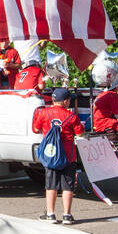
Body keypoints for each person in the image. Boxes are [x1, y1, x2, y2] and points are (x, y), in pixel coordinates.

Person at [32, 86, 84, 224]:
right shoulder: (71, 116)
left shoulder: (44, 113)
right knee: (68, 185)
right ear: (66, 101)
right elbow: (80, 133)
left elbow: (36, 129)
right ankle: (67, 215)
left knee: (51, 185)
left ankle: (50, 214)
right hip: (68, 155)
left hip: (51, 155)